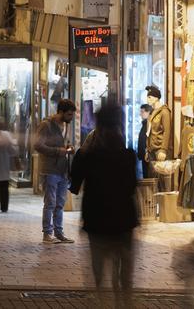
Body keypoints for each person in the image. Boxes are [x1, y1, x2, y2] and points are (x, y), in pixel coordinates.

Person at [69, 103, 138, 304]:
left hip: (97, 221)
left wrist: (84, 150)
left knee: (99, 274)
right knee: (124, 275)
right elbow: (132, 187)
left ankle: (103, 302)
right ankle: (124, 303)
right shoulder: (128, 156)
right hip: (124, 220)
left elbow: (74, 182)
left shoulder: (88, 156)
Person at [35, 98, 78, 244]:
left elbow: (65, 144)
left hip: (62, 169)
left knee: (60, 203)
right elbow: (37, 145)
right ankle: (47, 233)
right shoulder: (46, 125)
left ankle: (59, 233)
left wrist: (69, 148)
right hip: (49, 169)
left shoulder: (67, 126)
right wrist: (57, 151)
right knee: (50, 203)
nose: (71, 118)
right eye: (69, 115)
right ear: (60, 112)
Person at [137, 103, 152, 178]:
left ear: (148, 112)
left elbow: (147, 139)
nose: (140, 114)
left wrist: (146, 151)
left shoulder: (149, 124)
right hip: (144, 156)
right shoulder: (144, 124)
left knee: (148, 176)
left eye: (142, 112)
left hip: (147, 156)